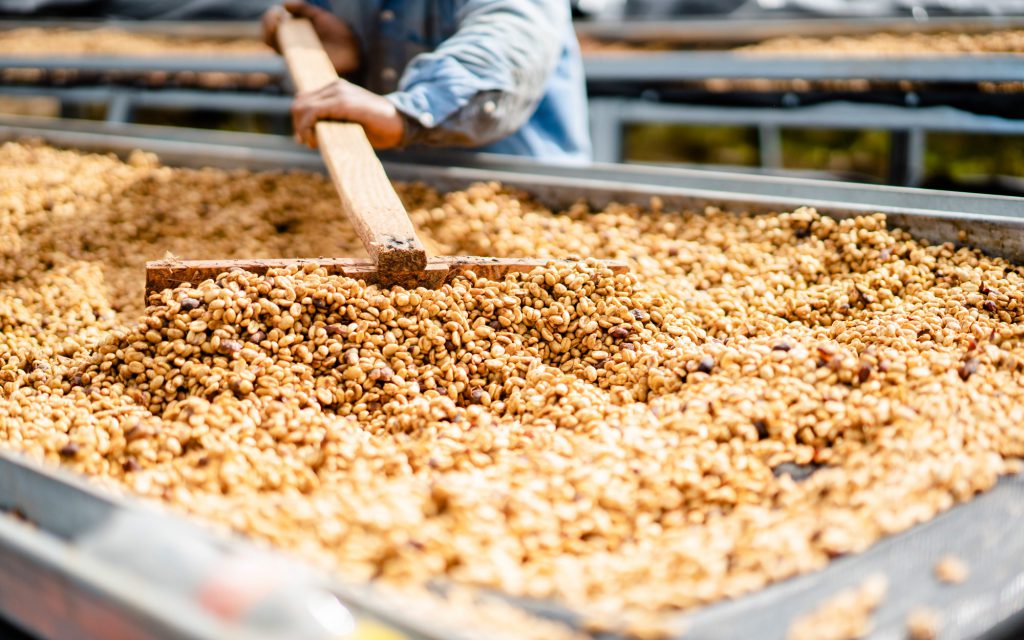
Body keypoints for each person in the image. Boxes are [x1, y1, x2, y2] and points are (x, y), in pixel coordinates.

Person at [262, 1, 591, 162]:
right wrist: (344, 61)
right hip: (388, 187)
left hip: (520, 190)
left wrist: (409, 111)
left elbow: (509, 39)